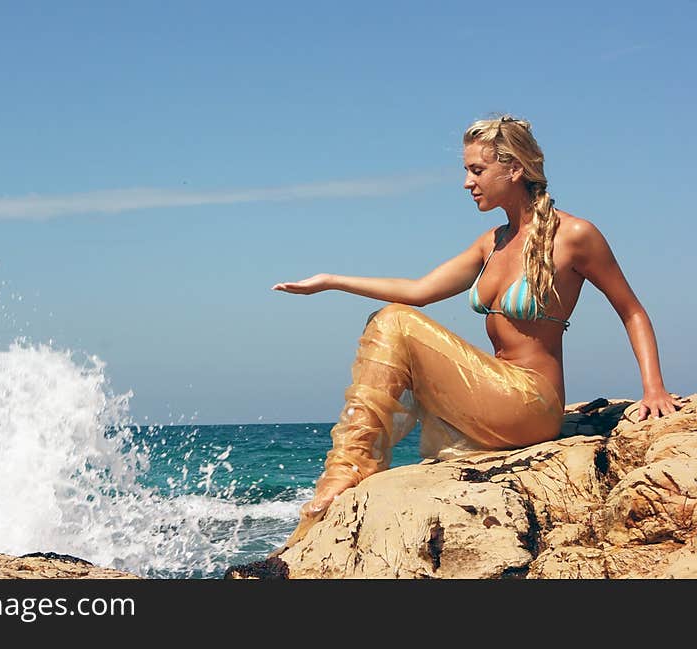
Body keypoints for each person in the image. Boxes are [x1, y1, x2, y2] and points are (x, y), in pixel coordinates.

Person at [271, 114, 683, 554]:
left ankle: (346, 470)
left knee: (395, 320)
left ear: (514, 169)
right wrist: (332, 280)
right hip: (494, 392)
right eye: (467, 170)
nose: (468, 182)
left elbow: (632, 311)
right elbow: (420, 291)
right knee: (390, 318)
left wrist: (653, 389)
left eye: (477, 170)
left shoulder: (575, 235)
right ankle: (345, 470)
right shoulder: (493, 241)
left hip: (533, 403)